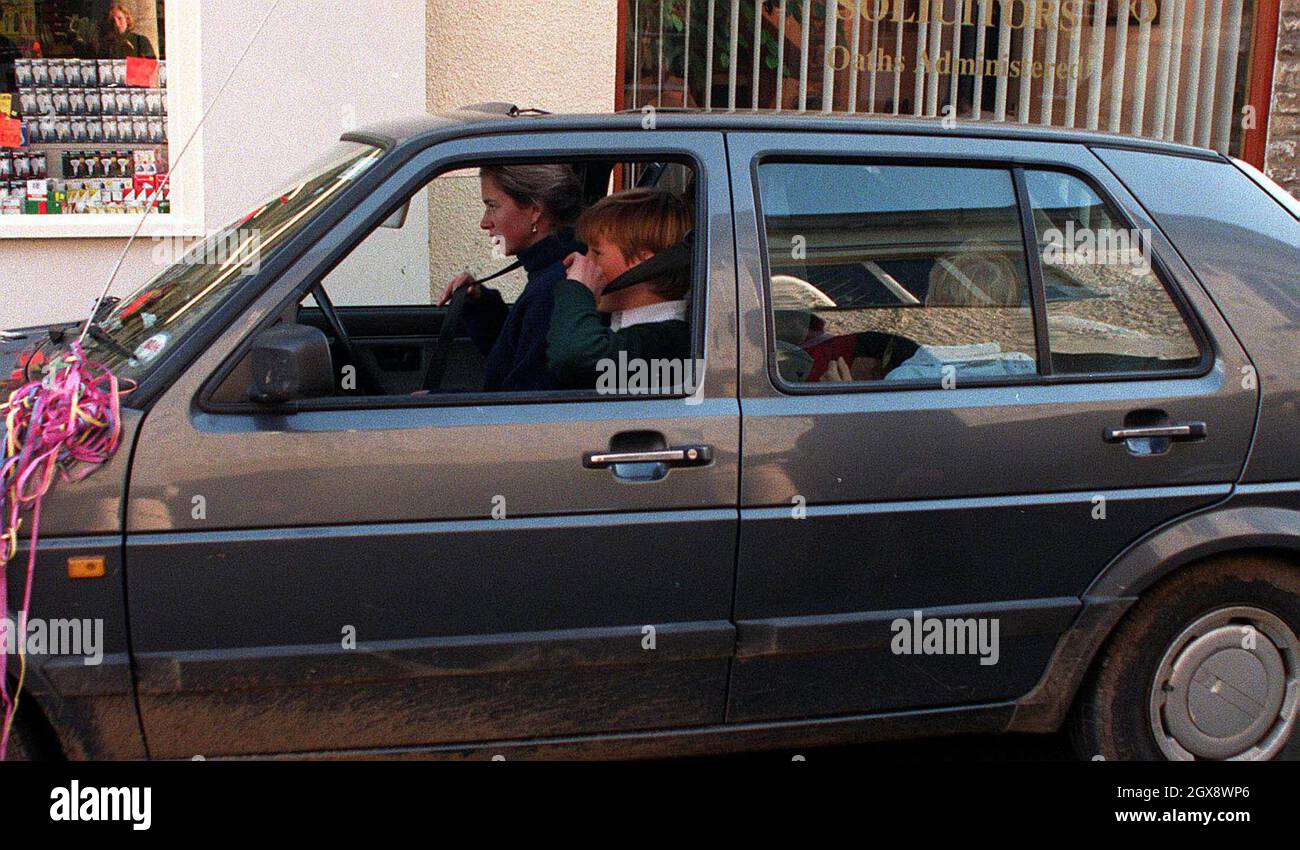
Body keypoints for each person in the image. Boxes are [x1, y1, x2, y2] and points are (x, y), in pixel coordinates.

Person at [438, 164, 584, 392]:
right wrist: (480, 304)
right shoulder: (553, 270)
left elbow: (525, 401)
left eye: (492, 206)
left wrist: (440, 401)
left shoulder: (555, 286)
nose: (484, 222)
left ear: (534, 211)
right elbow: (516, 355)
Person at [547, 188, 692, 390]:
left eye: (596, 253)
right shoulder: (612, 327)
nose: (584, 262)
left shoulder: (672, 341)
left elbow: (575, 356)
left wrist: (577, 288)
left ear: (645, 263)